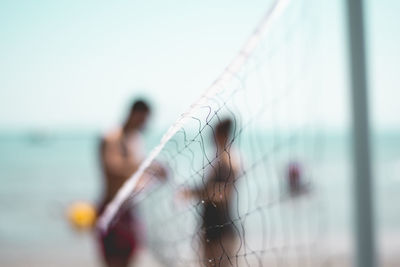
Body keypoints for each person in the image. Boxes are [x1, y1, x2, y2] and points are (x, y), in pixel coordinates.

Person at [97, 99, 164, 267]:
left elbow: (135, 177)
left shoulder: (136, 139)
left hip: (131, 212)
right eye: (144, 118)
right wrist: (147, 166)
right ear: (135, 114)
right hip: (111, 210)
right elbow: (112, 167)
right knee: (114, 262)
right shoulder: (112, 136)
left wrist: (153, 177)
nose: (145, 123)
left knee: (130, 259)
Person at [180, 118, 239, 267]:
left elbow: (225, 194)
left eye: (214, 133)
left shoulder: (230, 160)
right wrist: (193, 192)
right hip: (209, 226)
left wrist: (194, 193)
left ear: (222, 134)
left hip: (223, 228)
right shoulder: (217, 158)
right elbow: (210, 189)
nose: (211, 137)